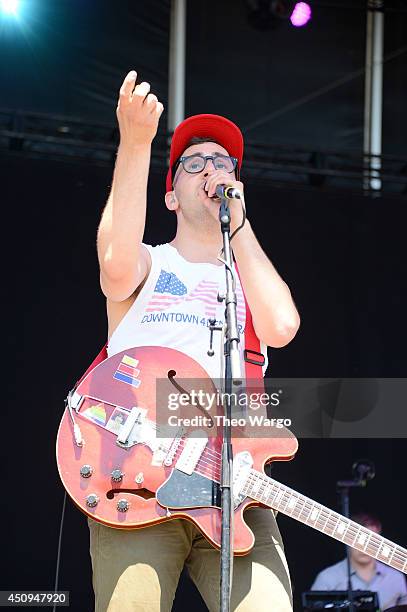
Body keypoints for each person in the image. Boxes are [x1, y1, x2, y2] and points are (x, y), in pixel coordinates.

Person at [91, 69, 300, 612]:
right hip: (137, 481)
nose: (211, 170)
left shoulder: (248, 283)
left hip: (234, 491)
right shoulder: (151, 265)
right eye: (194, 163)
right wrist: (136, 145)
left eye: (223, 163)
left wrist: (239, 225)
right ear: (171, 195)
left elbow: (281, 325)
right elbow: (114, 267)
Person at [311, 513, 407, 611]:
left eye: (371, 541)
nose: (364, 547)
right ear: (346, 539)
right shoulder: (327, 578)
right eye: (358, 540)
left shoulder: (396, 578)